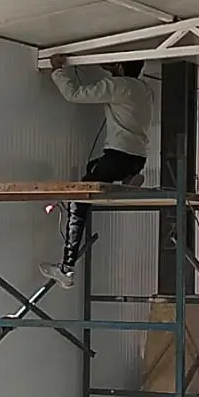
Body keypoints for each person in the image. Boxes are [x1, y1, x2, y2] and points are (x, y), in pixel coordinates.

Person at [40, 54, 153, 289]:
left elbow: (74, 94)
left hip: (117, 155)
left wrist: (58, 70)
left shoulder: (118, 85)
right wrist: (112, 68)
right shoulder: (144, 90)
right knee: (93, 168)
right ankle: (127, 179)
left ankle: (66, 268)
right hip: (137, 158)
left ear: (119, 66)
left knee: (79, 202)